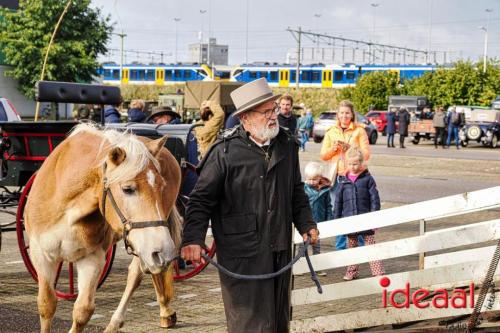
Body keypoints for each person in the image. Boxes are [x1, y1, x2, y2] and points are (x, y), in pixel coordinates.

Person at [181, 78, 319, 333]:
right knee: (250, 323)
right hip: (241, 254)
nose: (273, 116)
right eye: (266, 112)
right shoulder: (224, 152)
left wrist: (307, 223)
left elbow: (296, 190)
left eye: (274, 109)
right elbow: (200, 200)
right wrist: (192, 239)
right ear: (245, 118)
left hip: (279, 248)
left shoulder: (287, 145)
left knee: (277, 321)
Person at [320, 100, 370, 250]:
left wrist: (350, 149)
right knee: (338, 212)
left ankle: (358, 246)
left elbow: (366, 155)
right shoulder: (331, 132)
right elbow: (323, 155)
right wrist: (334, 149)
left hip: (355, 177)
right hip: (337, 178)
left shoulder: (359, 131)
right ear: (337, 114)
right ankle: (340, 248)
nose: (344, 115)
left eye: (347, 113)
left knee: (357, 210)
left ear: (352, 114)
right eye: (341, 113)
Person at [334, 147, 385, 280]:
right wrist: (337, 219)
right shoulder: (343, 181)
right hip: (349, 220)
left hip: (366, 219)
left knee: (370, 245)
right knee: (352, 247)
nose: (353, 166)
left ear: (361, 163)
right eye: (350, 164)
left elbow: (375, 199)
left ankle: (377, 271)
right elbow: (338, 202)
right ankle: (352, 271)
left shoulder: (368, 179)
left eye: (355, 164)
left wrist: (375, 217)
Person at [303, 162, 333, 276]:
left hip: (318, 221)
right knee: (303, 246)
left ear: (320, 178)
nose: (311, 182)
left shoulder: (325, 191)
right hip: (305, 222)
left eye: (314, 179)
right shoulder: (303, 189)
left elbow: (328, 206)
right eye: (309, 179)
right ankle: (301, 266)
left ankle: (317, 267)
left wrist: (329, 219)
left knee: (316, 246)